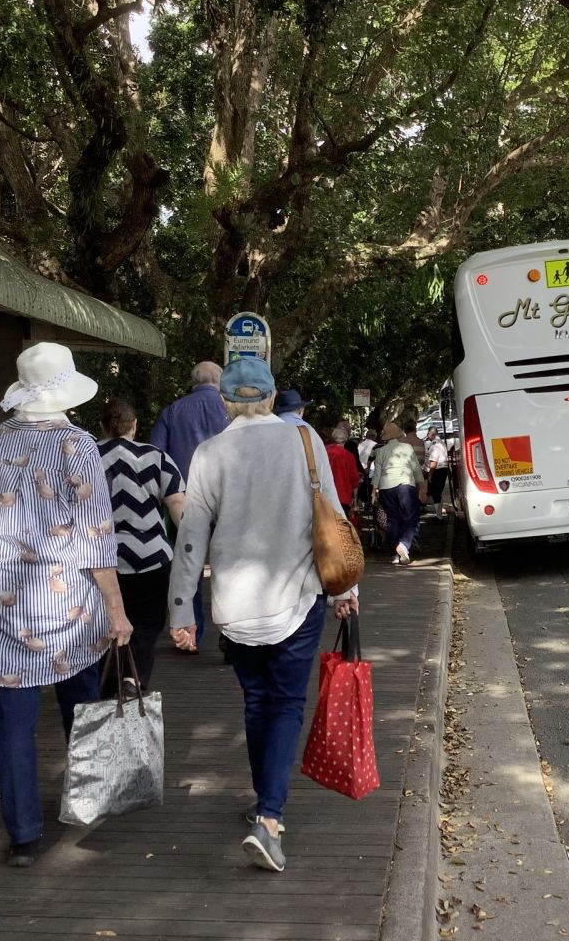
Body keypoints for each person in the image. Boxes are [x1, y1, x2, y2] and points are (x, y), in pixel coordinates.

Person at [167, 358, 358, 873]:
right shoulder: (304, 441)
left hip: (234, 606)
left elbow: (191, 537)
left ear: (225, 402)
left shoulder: (209, 452)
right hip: (298, 597)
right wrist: (347, 588)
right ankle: (270, 818)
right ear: (272, 397)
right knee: (287, 703)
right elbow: (334, 518)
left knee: (257, 702)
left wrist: (182, 609)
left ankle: (262, 804)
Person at [0, 342, 132, 868]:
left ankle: (23, 835)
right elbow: (96, 538)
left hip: (2, 606)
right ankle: (86, 799)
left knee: (13, 723)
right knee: (80, 707)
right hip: (68, 608)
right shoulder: (77, 445)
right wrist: (116, 609)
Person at [97, 399, 186, 693]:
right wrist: (191, 548)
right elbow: (177, 505)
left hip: (104, 556)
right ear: (134, 426)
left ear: (102, 426)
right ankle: (133, 679)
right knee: (147, 624)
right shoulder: (157, 457)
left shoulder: (89, 457)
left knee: (105, 620)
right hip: (152, 556)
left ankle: (108, 678)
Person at [150, 361, 229, 651]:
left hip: (183, 501)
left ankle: (190, 630)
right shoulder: (230, 410)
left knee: (187, 565)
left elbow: (157, 454)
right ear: (219, 380)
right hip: (225, 498)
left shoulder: (173, 411)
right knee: (227, 564)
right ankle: (230, 634)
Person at [373, 421, 426, 565]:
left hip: (386, 487)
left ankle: (395, 555)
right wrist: (422, 487)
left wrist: (373, 491)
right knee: (411, 517)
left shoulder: (380, 451)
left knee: (392, 520)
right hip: (405, 485)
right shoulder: (407, 448)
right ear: (398, 435)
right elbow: (416, 469)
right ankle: (404, 544)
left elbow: (377, 474)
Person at [325, 422, 360, 517]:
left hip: (326, 495)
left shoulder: (325, 451)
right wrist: (355, 500)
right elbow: (355, 480)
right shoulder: (349, 456)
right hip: (343, 496)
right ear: (346, 439)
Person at [424, 426, 450, 517]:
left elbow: (433, 462)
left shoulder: (435, 445)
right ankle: (439, 513)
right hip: (442, 470)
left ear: (431, 433)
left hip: (437, 471)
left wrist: (430, 475)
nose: (427, 435)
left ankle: (439, 516)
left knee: (435, 493)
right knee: (437, 493)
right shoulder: (441, 443)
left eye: (428, 433)